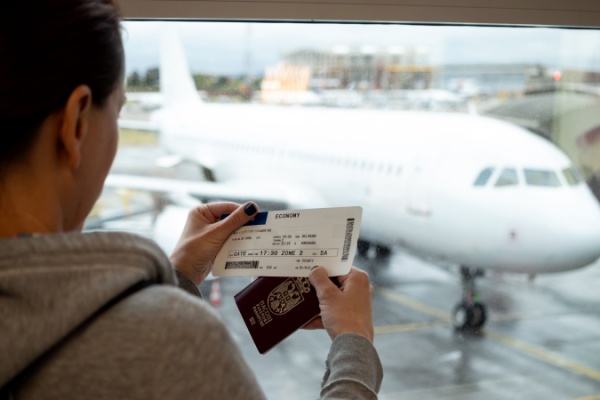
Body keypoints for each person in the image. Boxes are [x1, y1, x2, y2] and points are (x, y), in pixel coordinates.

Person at [0, 0, 383, 399]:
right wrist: (354, 343)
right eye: (116, 113)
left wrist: (177, 276)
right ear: (76, 123)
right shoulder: (173, 343)